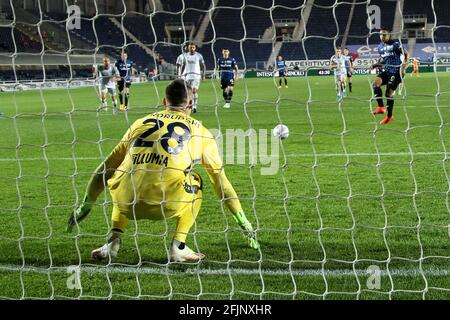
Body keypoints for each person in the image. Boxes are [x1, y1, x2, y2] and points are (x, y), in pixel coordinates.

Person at [67, 79, 259, 262]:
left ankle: (113, 242)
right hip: (164, 204)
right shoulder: (201, 131)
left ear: (164, 102)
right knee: (197, 179)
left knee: (125, 173)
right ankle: (179, 247)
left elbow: (105, 168)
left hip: (125, 203)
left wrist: (86, 204)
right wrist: (242, 220)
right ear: (190, 103)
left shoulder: (140, 123)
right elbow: (220, 182)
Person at [371, 27, 408, 124]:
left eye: (384, 34)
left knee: (388, 94)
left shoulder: (395, 44)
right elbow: (385, 60)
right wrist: (376, 65)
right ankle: (381, 107)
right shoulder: (380, 47)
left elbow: (406, 54)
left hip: (396, 72)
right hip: (387, 71)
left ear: (389, 35)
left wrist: (404, 68)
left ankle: (389, 117)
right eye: (380, 34)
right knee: (375, 84)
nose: (382, 36)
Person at [180, 43, 206, 113]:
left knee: (194, 91)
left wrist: (203, 75)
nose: (191, 49)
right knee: (188, 92)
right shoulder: (185, 56)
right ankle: (189, 105)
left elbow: (203, 65)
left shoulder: (199, 56)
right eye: (190, 47)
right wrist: (180, 75)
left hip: (196, 76)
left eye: (193, 47)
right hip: (187, 76)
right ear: (188, 48)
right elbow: (183, 65)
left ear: (195, 48)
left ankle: (194, 106)